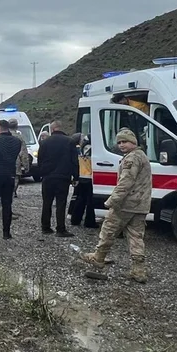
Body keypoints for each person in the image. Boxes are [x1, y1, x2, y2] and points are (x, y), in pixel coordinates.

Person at [79, 129, 151, 283]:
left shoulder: (131, 159)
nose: (121, 145)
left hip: (125, 204)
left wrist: (112, 200)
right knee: (136, 237)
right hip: (141, 205)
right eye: (119, 142)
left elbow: (126, 182)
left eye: (124, 141)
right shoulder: (142, 156)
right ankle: (138, 270)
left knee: (108, 230)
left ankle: (99, 258)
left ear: (133, 142)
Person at [37, 121, 78, 237]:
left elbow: (40, 160)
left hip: (48, 177)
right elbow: (74, 161)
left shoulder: (44, 143)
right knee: (61, 203)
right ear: (60, 128)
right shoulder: (69, 141)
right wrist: (76, 176)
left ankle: (45, 227)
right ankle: (60, 229)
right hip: (63, 177)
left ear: (52, 129)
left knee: (47, 202)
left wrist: (42, 173)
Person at [69, 133, 98, 228]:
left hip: (81, 175)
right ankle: (89, 222)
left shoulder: (80, 148)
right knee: (90, 201)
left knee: (80, 199)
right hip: (89, 176)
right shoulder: (92, 149)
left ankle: (75, 219)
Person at [7, 118, 30, 199]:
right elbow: (23, 153)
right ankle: (12, 193)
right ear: (17, 126)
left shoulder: (2, 136)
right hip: (15, 163)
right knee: (15, 178)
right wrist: (26, 166)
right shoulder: (19, 138)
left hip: (3, 164)